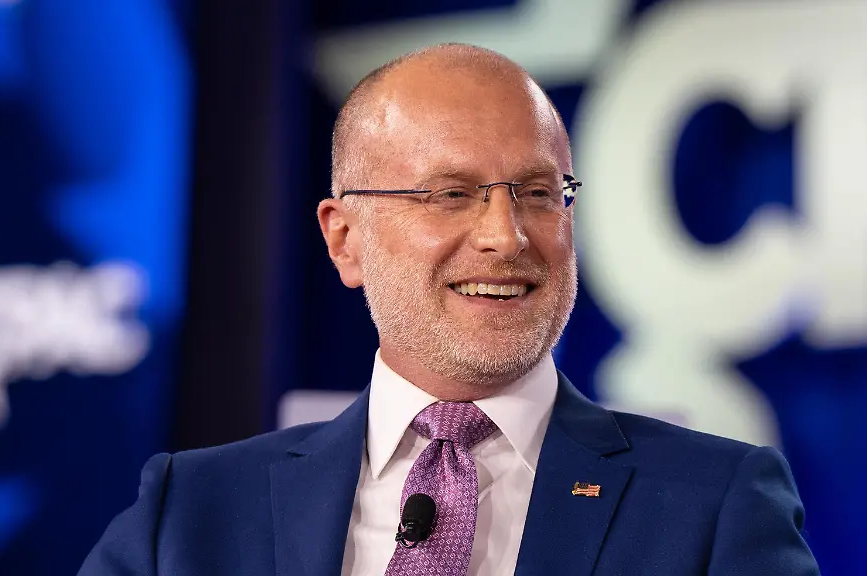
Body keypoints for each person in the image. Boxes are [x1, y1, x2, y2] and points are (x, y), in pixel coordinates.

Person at [79, 43, 819, 576]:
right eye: (450, 194)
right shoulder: (191, 512)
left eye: (537, 193)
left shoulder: (715, 505)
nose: (506, 235)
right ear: (344, 240)